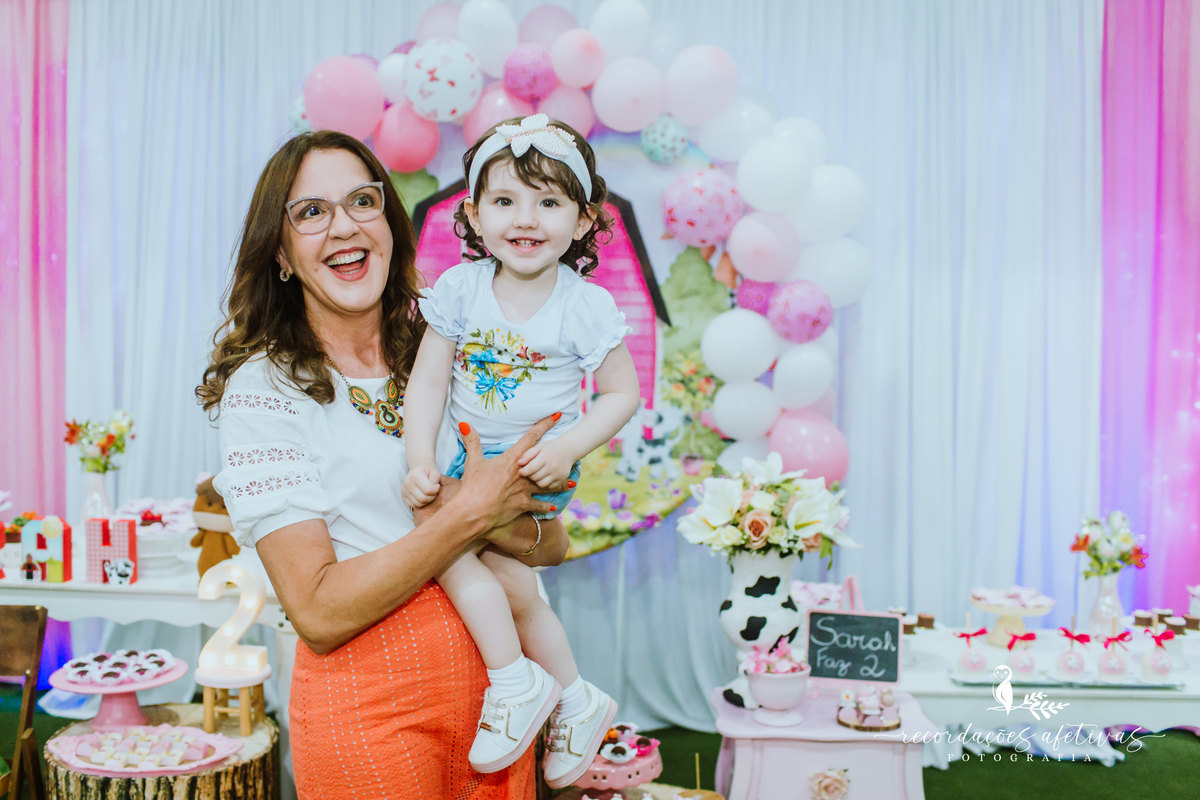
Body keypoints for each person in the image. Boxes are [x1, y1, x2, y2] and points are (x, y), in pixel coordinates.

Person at [197, 129, 567, 800]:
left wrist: (497, 511)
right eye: (311, 212)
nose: (344, 226)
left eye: (362, 201)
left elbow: (551, 542)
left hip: (501, 705)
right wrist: (472, 512)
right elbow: (317, 611)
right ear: (281, 253)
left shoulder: (452, 351)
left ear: (391, 226)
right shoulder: (264, 390)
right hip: (371, 713)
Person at [401, 114, 640, 789]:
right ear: (474, 215)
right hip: (464, 460)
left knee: (443, 546)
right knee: (508, 580)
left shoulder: (584, 305)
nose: (525, 219)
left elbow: (621, 394)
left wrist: (567, 449)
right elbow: (428, 383)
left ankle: (513, 681)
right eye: (505, 201)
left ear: (584, 218)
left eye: (549, 202)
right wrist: (419, 460)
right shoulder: (460, 289)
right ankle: (574, 695)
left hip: (536, 468)